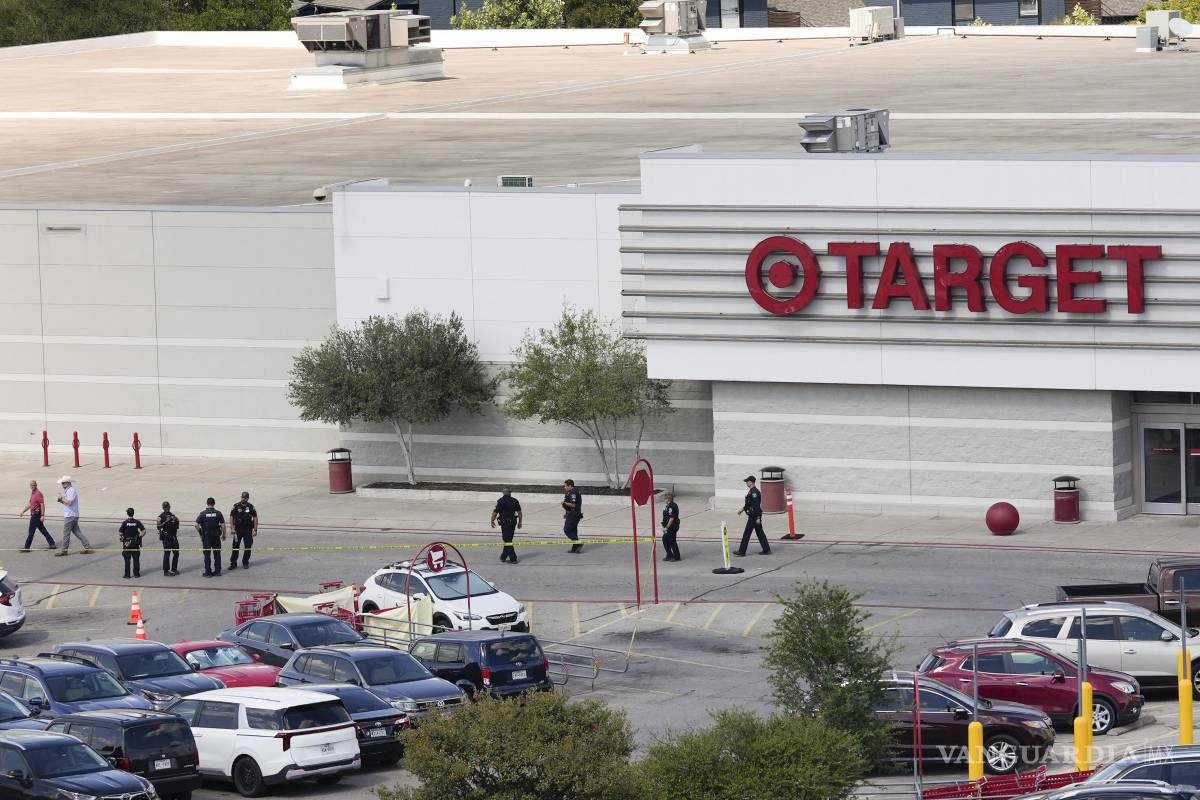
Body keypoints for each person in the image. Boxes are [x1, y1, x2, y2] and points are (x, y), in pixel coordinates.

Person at [54, 476, 93, 557]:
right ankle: (87, 546)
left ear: (68, 482)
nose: (62, 484)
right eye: (62, 483)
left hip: (70, 515)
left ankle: (64, 551)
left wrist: (61, 498)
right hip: (72, 514)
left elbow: (69, 502)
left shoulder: (71, 490)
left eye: (63, 483)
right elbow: (67, 503)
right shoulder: (68, 491)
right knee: (77, 532)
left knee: (66, 533)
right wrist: (61, 500)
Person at [734, 475, 771, 557]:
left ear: (751, 482)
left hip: (754, 517)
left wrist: (758, 518)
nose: (746, 483)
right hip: (754, 516)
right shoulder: (751, 491)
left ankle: (742, 551)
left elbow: (757, 506)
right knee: (760, 533)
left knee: (747, 533)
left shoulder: (754, 492)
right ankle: (766, 549)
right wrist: (742, 509)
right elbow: (748, 503)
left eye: (747, 481)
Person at [19, 480, 56, 552]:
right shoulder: (33, 493)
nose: (32, 486)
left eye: (33, 485)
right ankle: (52, 544)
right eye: (31, 485)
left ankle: (26, 547)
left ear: (36, 485)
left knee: (31, 531)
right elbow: (30, 504)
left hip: (36, 515)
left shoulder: (38, 494)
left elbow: (42, 504)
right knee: (43, 530)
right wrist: (23, 511)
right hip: (35, 514)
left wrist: (42, 515)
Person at [194, 497, 226, 578]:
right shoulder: (218, 513)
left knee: (207, 555)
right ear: (214, 503)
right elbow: (223, 525)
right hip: (216, 536)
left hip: (207, 537)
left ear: (207, 503)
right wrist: (224, 535)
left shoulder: (203, 513)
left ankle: (208, 572)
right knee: (217, 554)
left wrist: (201, 533)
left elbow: (196, 525)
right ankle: (218, 571)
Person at [490, 489, 523, 564]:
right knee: (508, 539)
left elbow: (495, 513)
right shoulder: (515, 500)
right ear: (510, 493)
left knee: (507, 540)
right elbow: (519, 512)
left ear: (503, 493)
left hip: (505, 523)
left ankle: (513, 558)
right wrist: (520, 522)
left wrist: (492, 520)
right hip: (513, 522)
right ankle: (503, 557)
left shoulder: (500, 501)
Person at [228, 491, 258, 571]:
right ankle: (233, 563)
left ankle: (245, 562)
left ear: (248, 498)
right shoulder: (236, 506)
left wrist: (255, 529)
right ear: (241, 497)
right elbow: (231, 517)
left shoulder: (251, 507)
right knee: (235, 547)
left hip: (247, 530)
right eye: (242, 497)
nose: (243, 499)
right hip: (237, 530)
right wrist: (232, 528)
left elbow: (255, 518)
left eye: (245, 497)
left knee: (248, 546)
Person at [118, 508, 145, 580]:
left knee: (127, 559)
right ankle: (136, 574)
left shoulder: (125, 523)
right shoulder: (137, 522)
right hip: (135, 543)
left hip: (127, 544)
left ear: (127, 513)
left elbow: (120, 533)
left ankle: (127, 575)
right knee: (136, 559)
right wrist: (140, 536)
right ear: (133, 513)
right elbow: (143, 531)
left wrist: (122, 536)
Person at [157, 501, 181, 577]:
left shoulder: (172, 515)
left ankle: (174, 569)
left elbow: (177, 527)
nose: (166, 508)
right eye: (165, 507)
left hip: (173, 537)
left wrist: (177, 520)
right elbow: (158, 527)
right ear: (163, 508)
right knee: (167, 554)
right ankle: (166, 571)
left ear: (169, 507)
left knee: (176, 553)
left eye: (167, 507)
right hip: (166, 537)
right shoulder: (160, 516)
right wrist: (165, 521)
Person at [561, 479, 583, 554]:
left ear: (570, 486)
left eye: (565, 486)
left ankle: (578, 543)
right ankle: (575, 547)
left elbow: (573, 505)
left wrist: (565, 503)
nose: (564, 487)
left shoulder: (573, 493)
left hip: (573, 515)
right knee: (573, 531)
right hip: (573, 514)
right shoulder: (572, 492)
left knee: (567, 530)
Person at [660, 492, 681, 562]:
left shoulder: (673, 506)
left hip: (672, 527)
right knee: (665, 540)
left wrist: (666, 527)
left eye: (665, 499)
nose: (664, 500)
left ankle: (677, 557)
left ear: (668, 499)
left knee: (672, 541)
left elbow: (671, 518)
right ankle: (669, 555)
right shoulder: (667, 506)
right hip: (667, 526)